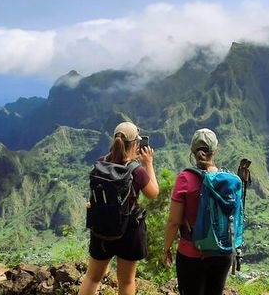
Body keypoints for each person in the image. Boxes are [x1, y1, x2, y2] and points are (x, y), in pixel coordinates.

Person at [79, 121, 159, 295]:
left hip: (101, 227)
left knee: (92, 277)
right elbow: (153, 193)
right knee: (126, 281)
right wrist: (148, 163)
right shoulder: (137, 171)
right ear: (136, 144)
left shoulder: (100, 163)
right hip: (129, 230)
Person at [162, 128, 232, 295]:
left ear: (192, 151)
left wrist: (166, 249)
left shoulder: (185, 179)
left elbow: (173, 222)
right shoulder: (227, 180)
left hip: (192, 254)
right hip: (222, 252)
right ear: (215, 151)